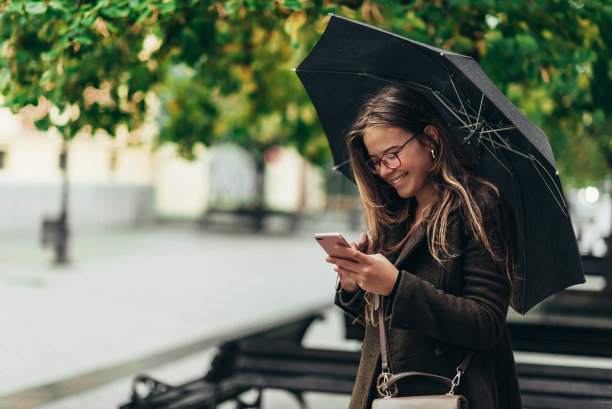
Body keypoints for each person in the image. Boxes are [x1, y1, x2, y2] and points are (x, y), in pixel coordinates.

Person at [325, 86, 522, 409]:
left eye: (392, 154)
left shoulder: (479, 206)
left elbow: (486, 323)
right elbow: (383, 327)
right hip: (386, 397)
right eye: (375, 162)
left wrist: (395, 285)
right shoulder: (395, 216)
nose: (385, 170)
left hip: (453, 396)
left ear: (430, 139)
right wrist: (354, 284)